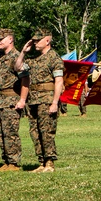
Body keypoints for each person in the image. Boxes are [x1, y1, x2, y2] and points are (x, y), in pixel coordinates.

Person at [16, 28, 64, 172]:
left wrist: (55, 103)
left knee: (46, 131)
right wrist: (23, 52)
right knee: (35, 132)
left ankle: (49, 163)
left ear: (47, 40)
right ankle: (42, 161)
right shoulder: (33, 59)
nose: (35, 42)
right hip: (33, 101)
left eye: (38, 40)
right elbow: (17, 67)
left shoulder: (54, 58)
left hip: (47, 100)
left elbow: (59, 81)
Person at [0, 28, 28, 171]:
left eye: (1, 39)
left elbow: (25, 79)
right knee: (0, 132)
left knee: (10, 132)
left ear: (10, 39)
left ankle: (14, 162)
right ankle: (7, 161)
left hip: (11, 99)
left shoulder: (17, 57)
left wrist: (22, 99)